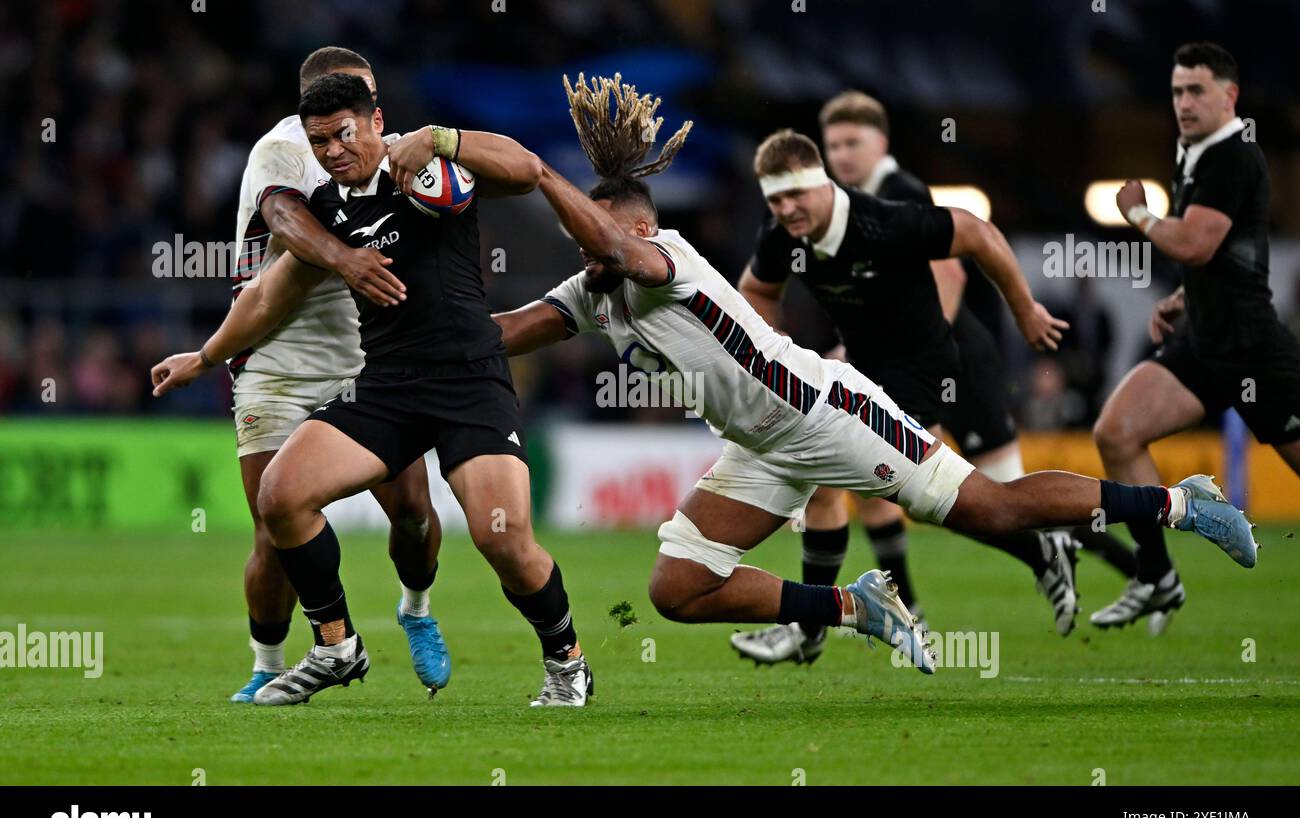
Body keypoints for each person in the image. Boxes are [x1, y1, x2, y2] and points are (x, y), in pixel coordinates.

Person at [493, 74, 1256, 676]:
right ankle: (856, 607)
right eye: (580, 244)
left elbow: (617, 250)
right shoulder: (595, 286)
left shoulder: (664, 259)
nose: (584, 254)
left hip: (826, 412)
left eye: (594, 238)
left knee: (989, 508)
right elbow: (503, 333)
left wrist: (535, 173)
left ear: (639, 227)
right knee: (677, 586)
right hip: (761, 443)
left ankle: (1181, 503)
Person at [153, 73, 592, 707]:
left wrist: (445, 139)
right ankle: (335, 644)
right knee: (281, 496)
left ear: (376, 120)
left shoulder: (425, 169)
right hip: (385, 387)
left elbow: (525, 169)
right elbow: (267, 294)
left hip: (469, 381)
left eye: (343, 134)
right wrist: (204, 356)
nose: (332, 150)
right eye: (320, 140)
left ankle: (567, 661)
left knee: (502, 538)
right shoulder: (327, 213)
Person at [184, 46, 446, 703]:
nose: (356, 127)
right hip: (272, 356)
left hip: (364, 355)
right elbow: (284, 218)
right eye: (338, 111)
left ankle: (415, 605)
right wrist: (347, 258)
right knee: (274, 529)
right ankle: (268, 662)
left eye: (366, 110)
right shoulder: (278, 152)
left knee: (413, 510)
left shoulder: (391, 153)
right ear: (310, 107)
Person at [1094, 42, 1289, 633]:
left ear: (1229, 95)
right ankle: (1157, 576)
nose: (1183, 101)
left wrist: (1139, 215)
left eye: (1196, 89)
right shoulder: (1194, 151)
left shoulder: (1232, 156)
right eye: (1177, 90)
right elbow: (1223, 255)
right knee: (1117, 433)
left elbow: (1197, 243)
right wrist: (1186, 297)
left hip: (1253, 346)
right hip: (1204, 339)